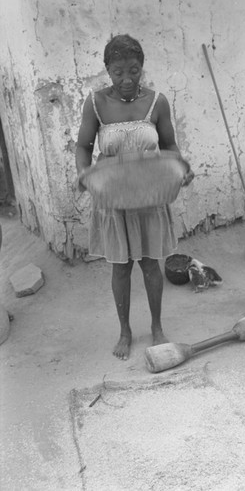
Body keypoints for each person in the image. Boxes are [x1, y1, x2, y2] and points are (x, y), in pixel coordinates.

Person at [75, 34, 194, 360]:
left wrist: (181, 167)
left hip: (149, 195)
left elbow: (169, 145)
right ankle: (125, 331)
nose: (126, 79)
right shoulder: (95, 103)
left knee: (151, 266)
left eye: (134, 70)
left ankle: (156, 327)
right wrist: (84, 174)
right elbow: (83, 147)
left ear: (142, 68)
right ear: (107, 70)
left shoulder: (157, 102)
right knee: (121, 268)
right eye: (118, 72)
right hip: (114, 200)